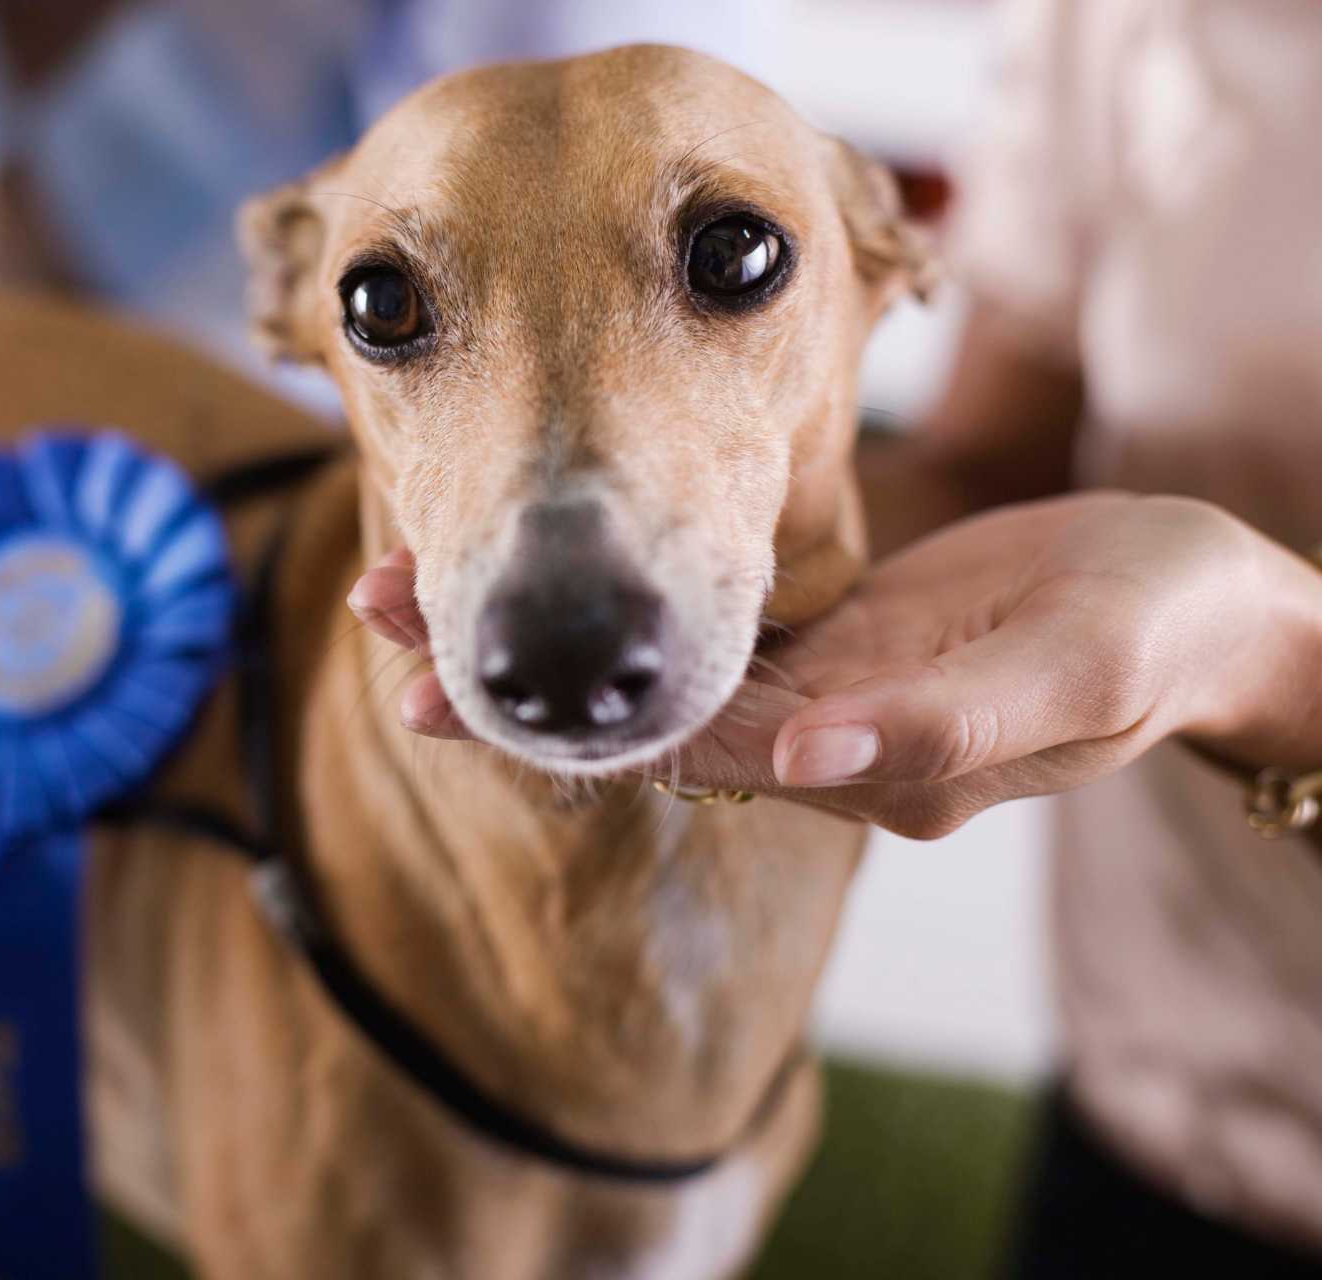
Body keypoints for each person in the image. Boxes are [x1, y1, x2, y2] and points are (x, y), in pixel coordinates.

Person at [346, 0, 1322, 1274]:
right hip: (1168, 1100)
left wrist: (1277, 672)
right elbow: (988, 459)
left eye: (729, 258)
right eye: (388, 304)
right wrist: (768, 578)